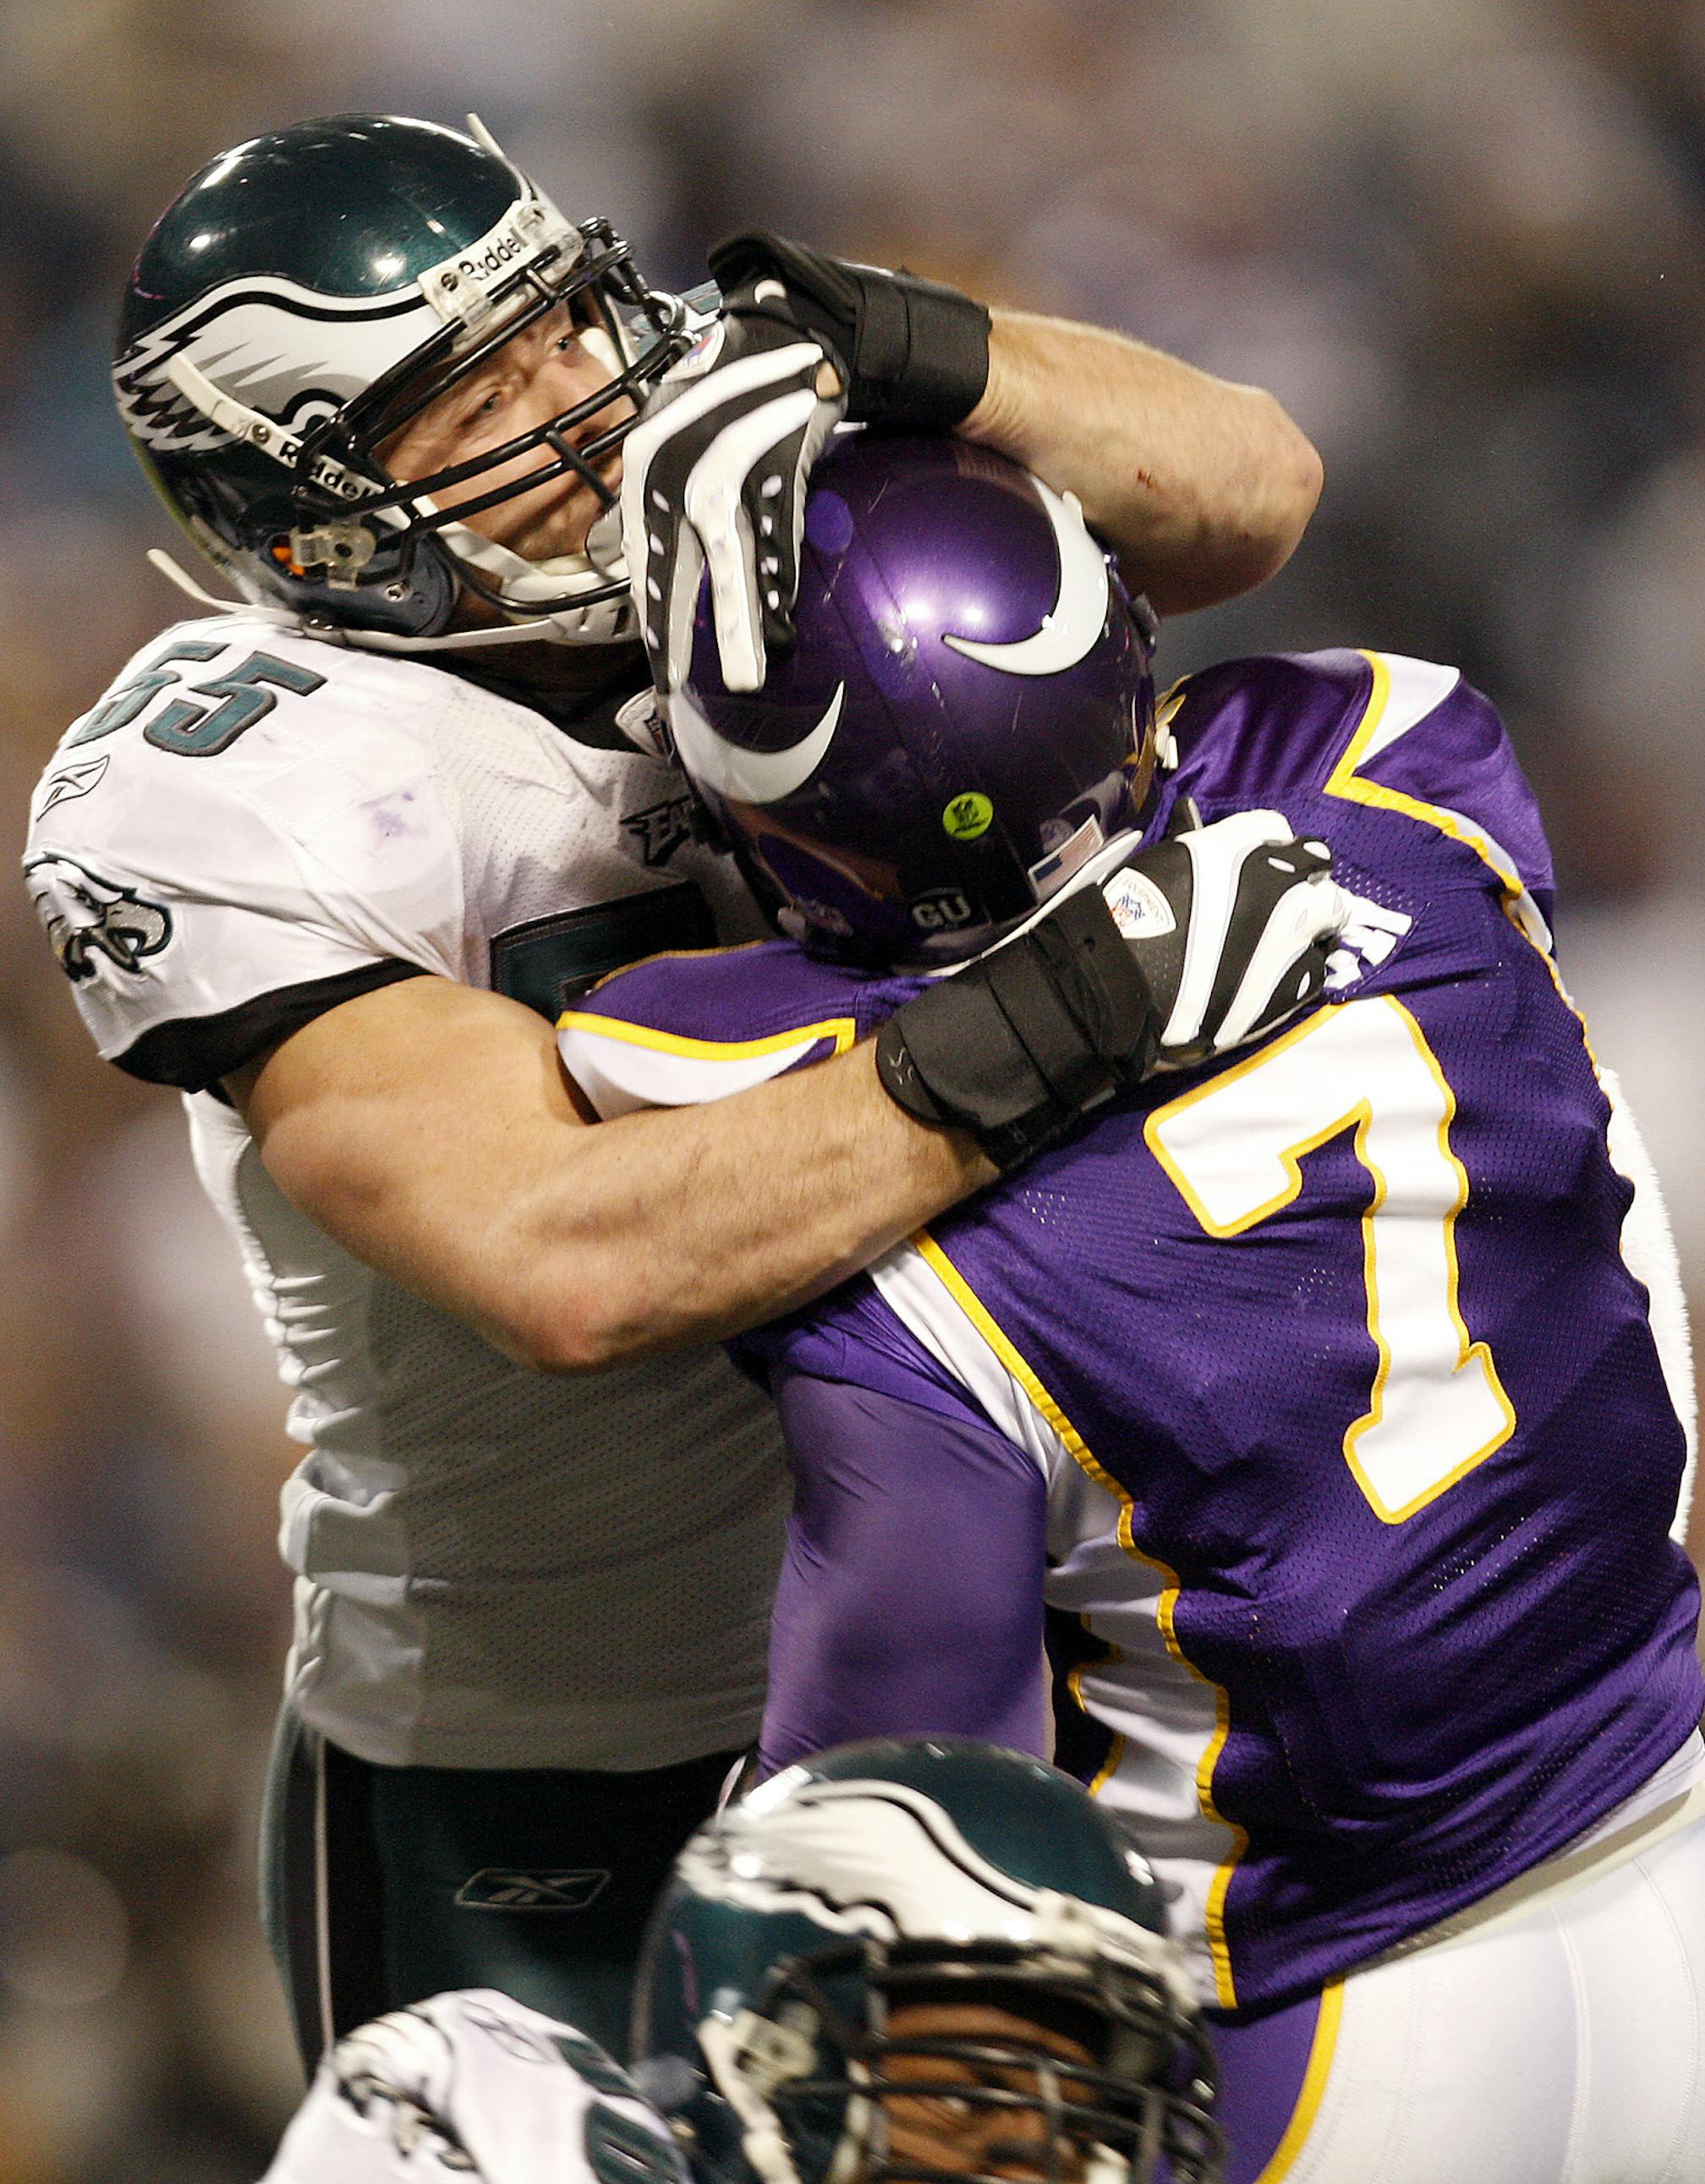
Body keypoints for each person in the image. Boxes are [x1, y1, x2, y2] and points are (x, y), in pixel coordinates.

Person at [19, 113, 1330, 2065]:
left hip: (981, 1625)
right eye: (474, 386)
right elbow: (562, 1263)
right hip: (553, 1758)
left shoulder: (745, 460)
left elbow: (1248, 491)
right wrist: (1066, 1015)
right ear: (309, 516)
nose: (583, 395)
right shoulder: (243, 778)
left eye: (564, 318)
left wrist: (911, 348)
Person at [557, 433, 1705, 2184]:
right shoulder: (1418, 791)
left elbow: (897, 1836)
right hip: (1672, 1861)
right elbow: (1259, 597)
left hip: (1321, 2019)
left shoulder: (893, 1256)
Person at [260, 1737, 1224, 2184]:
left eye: (1084, 2119)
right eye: (971, 2098)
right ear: (758, 2055)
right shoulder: (507, 2127)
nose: (1037, 2172)